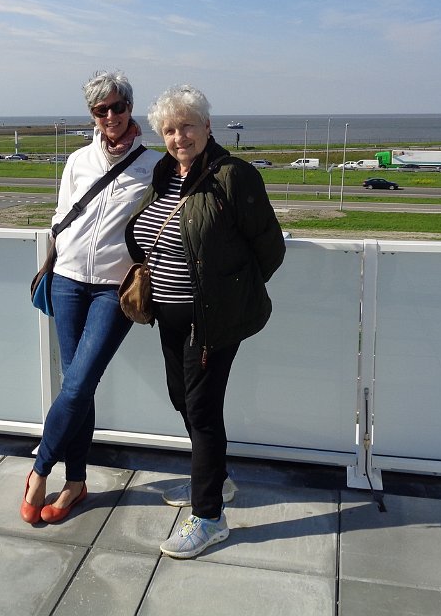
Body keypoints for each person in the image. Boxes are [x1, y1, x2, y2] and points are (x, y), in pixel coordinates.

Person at [126, 84, 285, 558]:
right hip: (169, 316)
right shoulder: (163, 171)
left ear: (208, 126)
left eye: (188, 125)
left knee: (202, 410)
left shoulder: (235, 176)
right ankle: (215, 476)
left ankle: (210, 516)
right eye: (170, 130)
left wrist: (230, 295)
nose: (180, 137)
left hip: (211, 320)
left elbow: (268, 248)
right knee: (181, 397)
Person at [21, 70, 161, 524]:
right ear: (93, 115)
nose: (111, 116)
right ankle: (76, 483)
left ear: (130, 107)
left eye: (118, 107)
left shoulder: (152, 163)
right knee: (77, 386)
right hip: (66, 279)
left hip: (114, 288)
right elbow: (63, 212)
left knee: (78, 383)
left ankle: (40, 470)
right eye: (101, 110)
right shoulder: (78, 159)